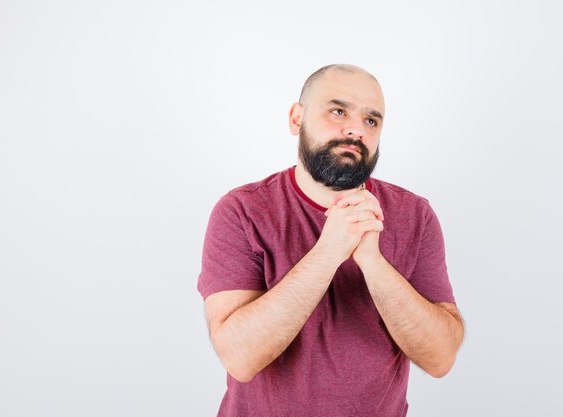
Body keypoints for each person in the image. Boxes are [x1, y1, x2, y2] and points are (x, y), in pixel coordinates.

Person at [197, 64, 464, 417]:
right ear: (297, 119)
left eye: (372, 121)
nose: (355, 129)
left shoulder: (415, 215)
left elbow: (440, 358)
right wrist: (329, 251)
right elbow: (239, 357)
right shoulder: (242, 210)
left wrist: (372, 261)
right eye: (338, 111)